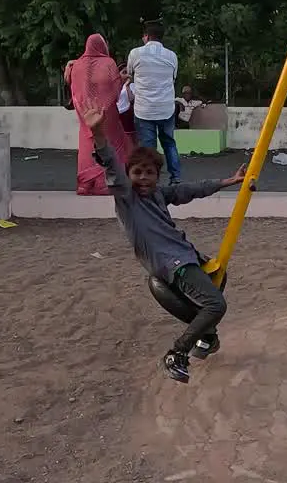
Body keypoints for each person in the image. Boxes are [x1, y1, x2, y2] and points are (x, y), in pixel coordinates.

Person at [80, 104, 246, 384]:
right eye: (137, 173)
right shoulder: (127, 198)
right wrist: (98, 133)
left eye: (149, 173)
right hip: (172, 264)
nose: (143, 179)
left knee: (220, 276)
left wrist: (228, 181)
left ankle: (207, 339)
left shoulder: (158, 195)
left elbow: (191, 190)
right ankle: (177, 353)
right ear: (129, 175)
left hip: (186, 255)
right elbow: (111, 164)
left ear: (157, 177)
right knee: (215, 306)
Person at [66, 34, 134, 196]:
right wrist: (122, 79)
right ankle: (104, 183)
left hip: (85, 113)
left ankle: (85, 184)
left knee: (86, 144)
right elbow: (116, 92)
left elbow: (74, 89)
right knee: (111, 142)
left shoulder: (77, 65)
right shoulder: (109, 63)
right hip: (106, 113)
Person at [127, 22, 182, 183]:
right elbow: (173, 77)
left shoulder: (135, 53)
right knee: (169, 143)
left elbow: (130, 73)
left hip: (144, 110)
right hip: (166, 108)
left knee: (148, 148)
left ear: (147, 36)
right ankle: (176, 177)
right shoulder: (171, 55)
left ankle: (150, 180)